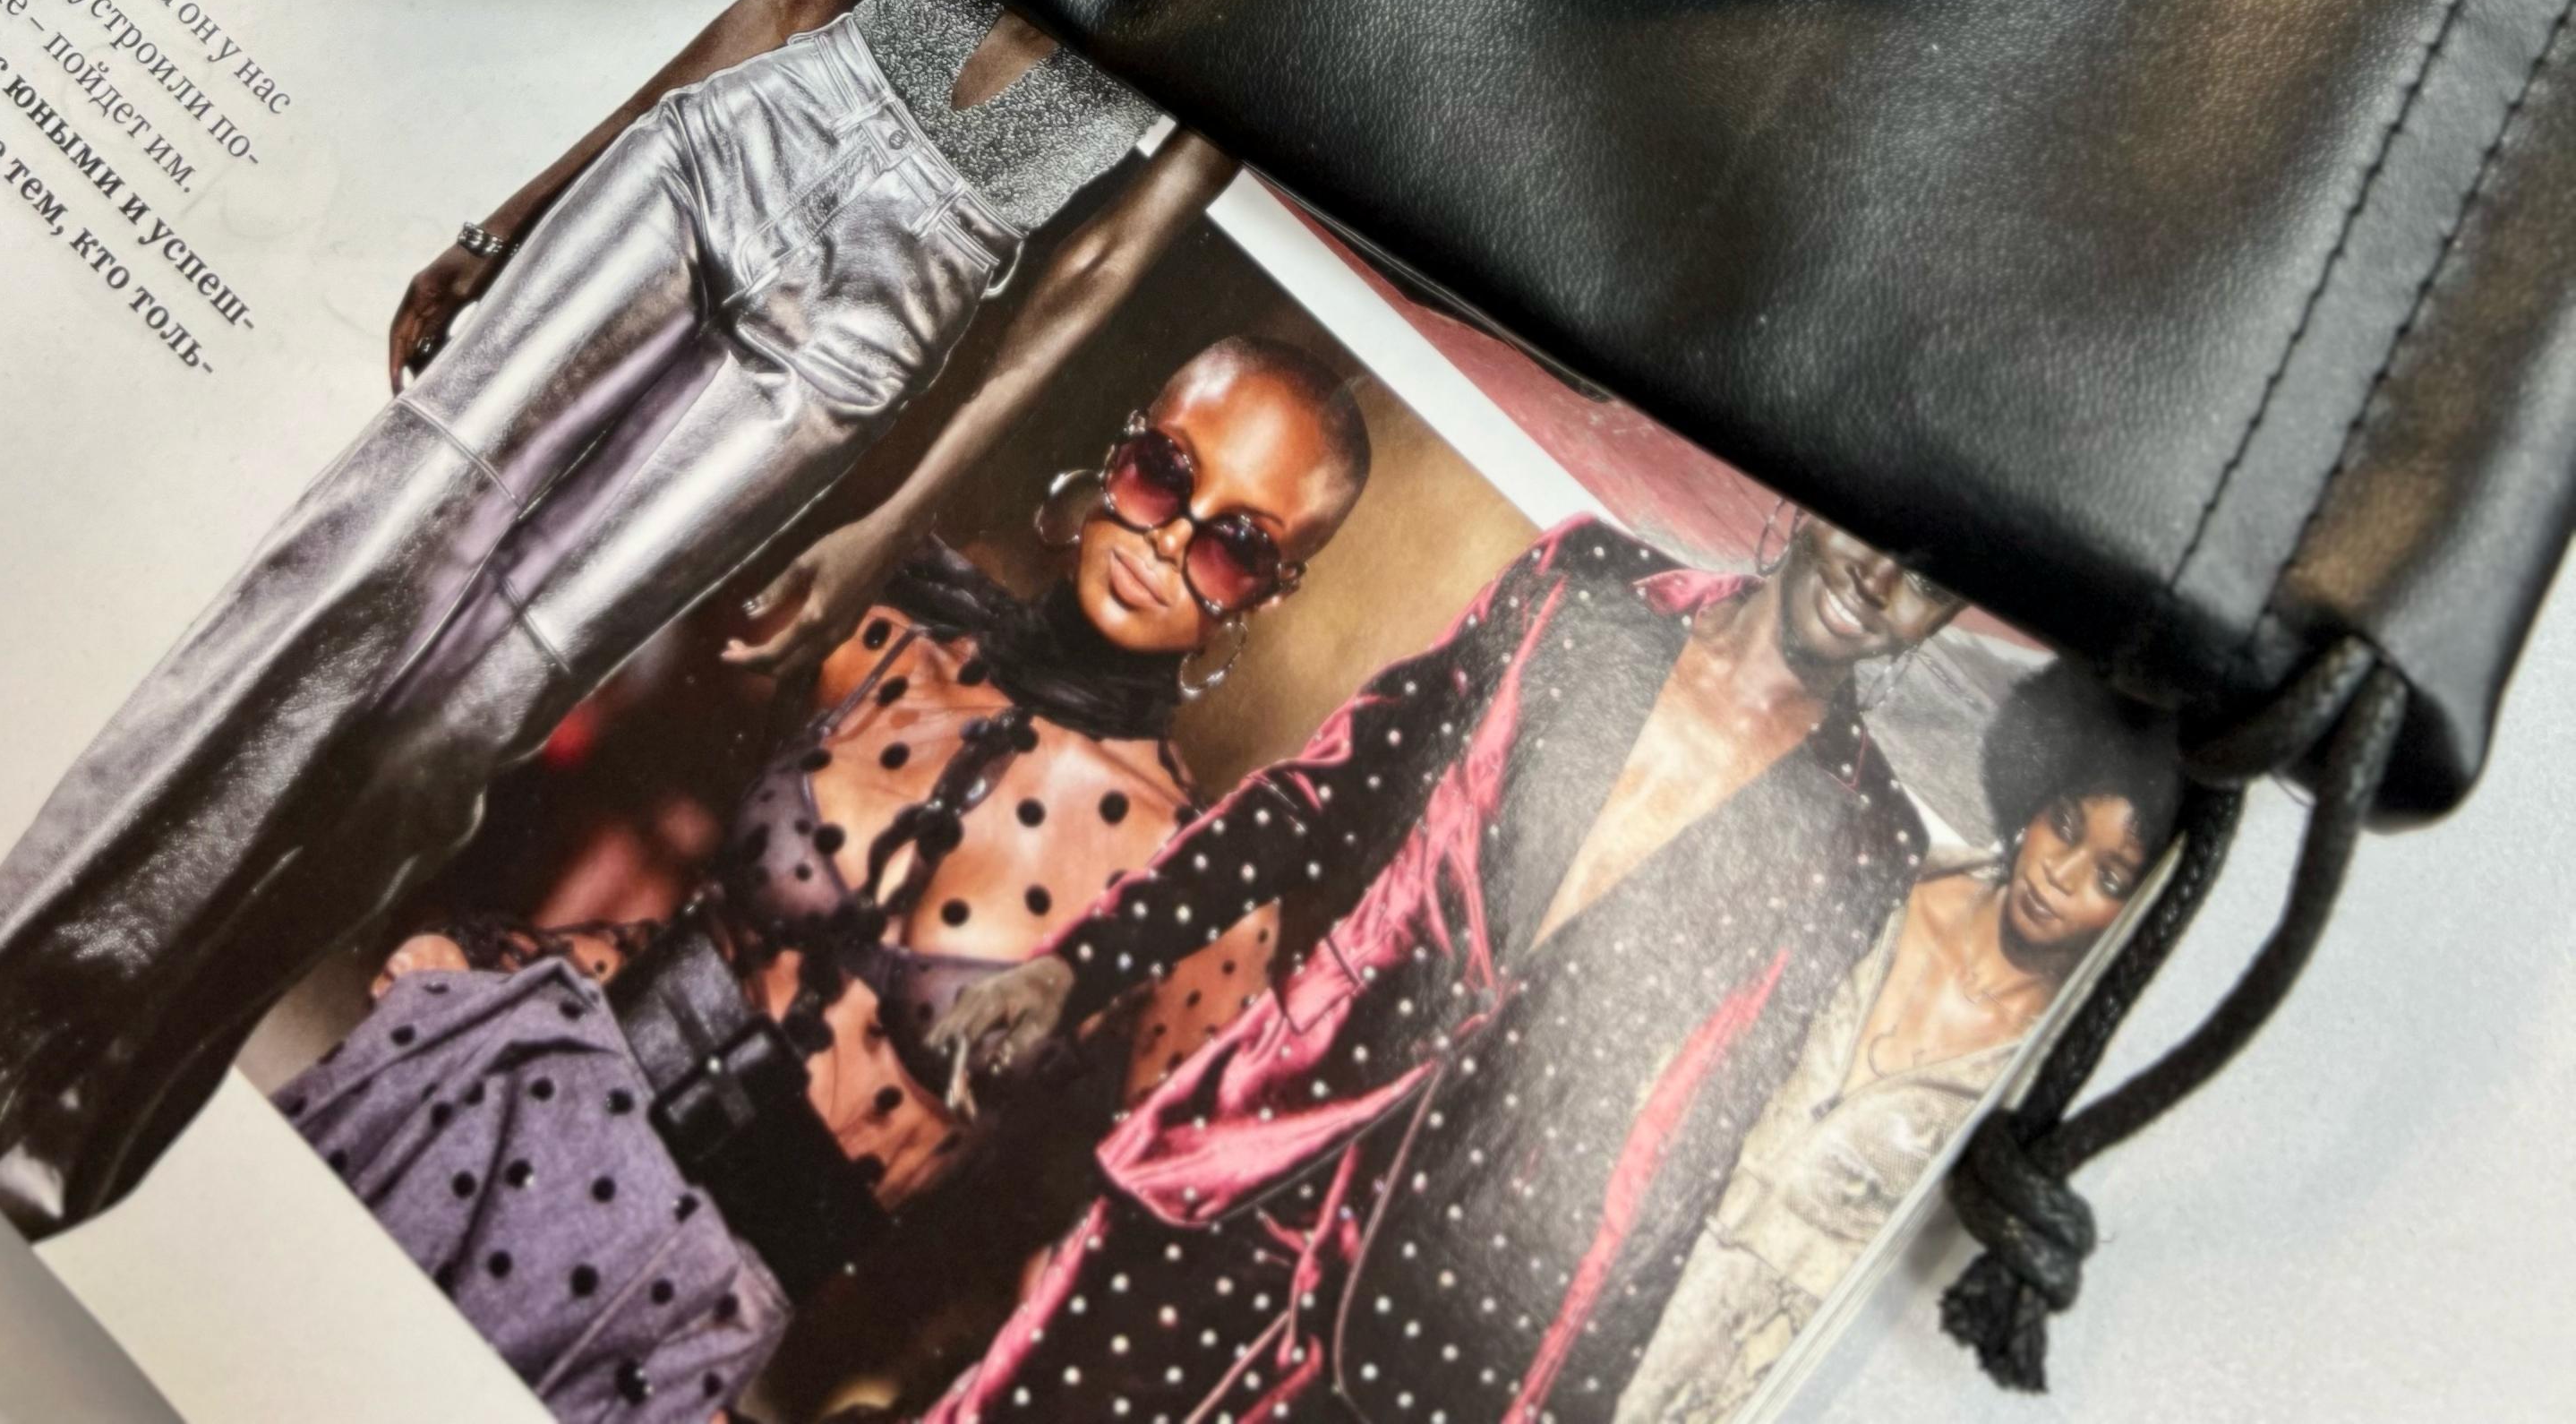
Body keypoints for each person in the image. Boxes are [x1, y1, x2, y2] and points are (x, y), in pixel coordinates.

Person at [0, 0, 1243, 1240]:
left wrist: (885, 522)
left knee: (447, 740)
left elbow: (1103, 265)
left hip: (893, 297)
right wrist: (516, 215)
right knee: (335, 582)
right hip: (743, 139)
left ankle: (72, 1141)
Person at [276, 337, 1374, 1424]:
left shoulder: (1205, 896)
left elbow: (1127, 1254)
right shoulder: (885, 637)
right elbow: (700, 937)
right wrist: (487, 957)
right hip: (504, 1100)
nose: (1167, 541)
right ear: (1124, 446)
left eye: (1234, 545)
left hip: (680, 1320)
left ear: (1271, 592)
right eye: (1165, 473)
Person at [923, 512, 1964, 1424]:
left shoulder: (1867, 837)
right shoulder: (1586, 578)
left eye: (1930, 581)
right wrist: (1081, 966)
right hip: (1253, 1149)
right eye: (1879, 534)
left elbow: (1703, 1128)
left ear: (1948, 618)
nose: (1879, 581)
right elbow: (1325, 796)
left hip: (1435, 1316)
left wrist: (1563, 1400)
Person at [1610, 659, 2181, 1424]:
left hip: (1777, 1361)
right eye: (2068, 827)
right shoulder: (1888, 871)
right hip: (1640, 1236)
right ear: (2037, 798)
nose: (2061, 874)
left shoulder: (2038, 1079)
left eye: (2110, 879)